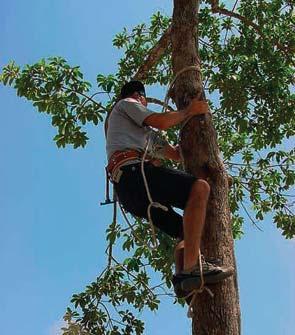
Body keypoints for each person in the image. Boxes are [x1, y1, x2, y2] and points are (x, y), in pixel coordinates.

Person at [105, 80, 233, 297]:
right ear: (139, 96)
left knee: (185, 230)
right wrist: (190, 110)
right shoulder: (126, 104)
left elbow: (173, 153)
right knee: (199, 188)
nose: (143, 103)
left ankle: (183, 278)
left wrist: (190, 142)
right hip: (134, 174)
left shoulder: (143, 134)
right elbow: (161, 122)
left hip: (130, 191)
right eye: (143, 99)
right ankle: (193, 269)